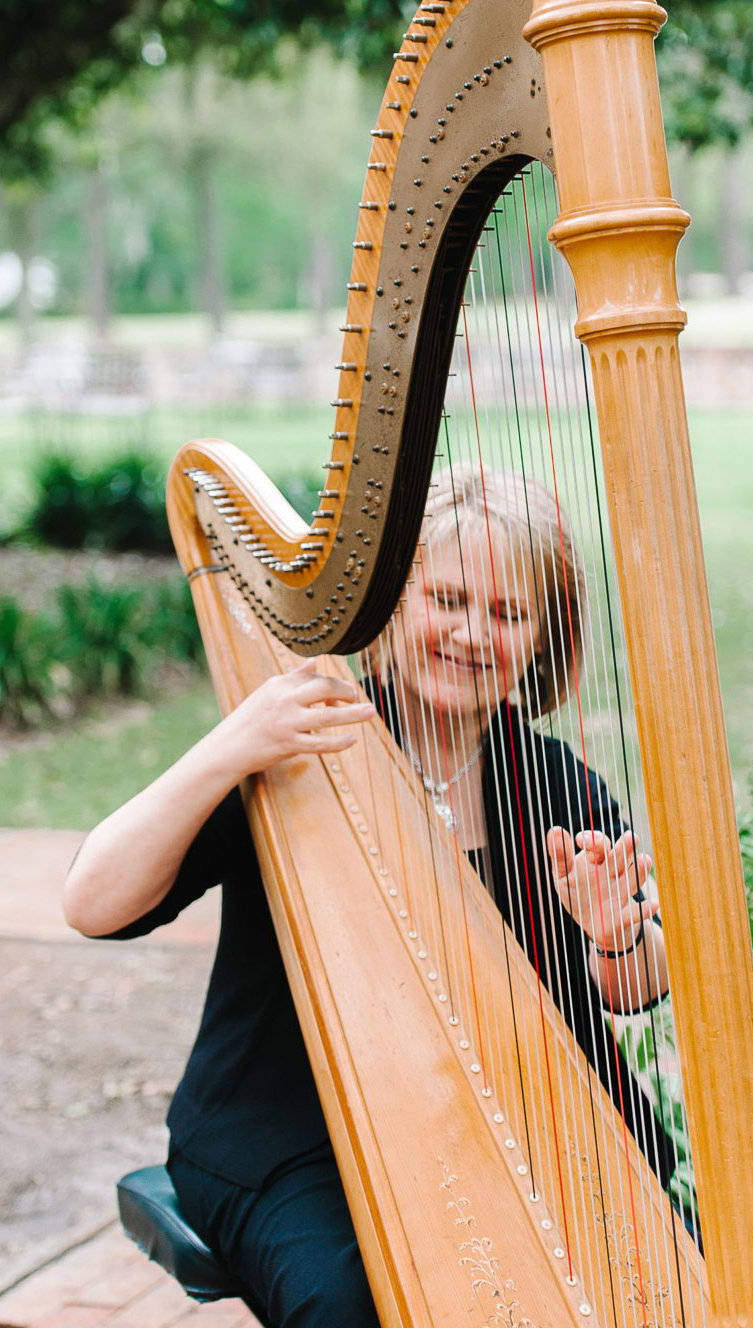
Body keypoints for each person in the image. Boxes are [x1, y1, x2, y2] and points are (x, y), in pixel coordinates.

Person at [63, 464, 670, 1328]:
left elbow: (634, 986)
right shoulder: (296, 746)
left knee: (658, 1269)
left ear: (543, 639)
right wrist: (231, 745)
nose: (472, 634)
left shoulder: (553, 786)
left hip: (508, 1122)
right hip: (288, 1133)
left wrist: (615, 937)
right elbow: (93, 903)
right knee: (358, 1304)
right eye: (449, 599)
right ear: (390, 603)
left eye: (508, 614)